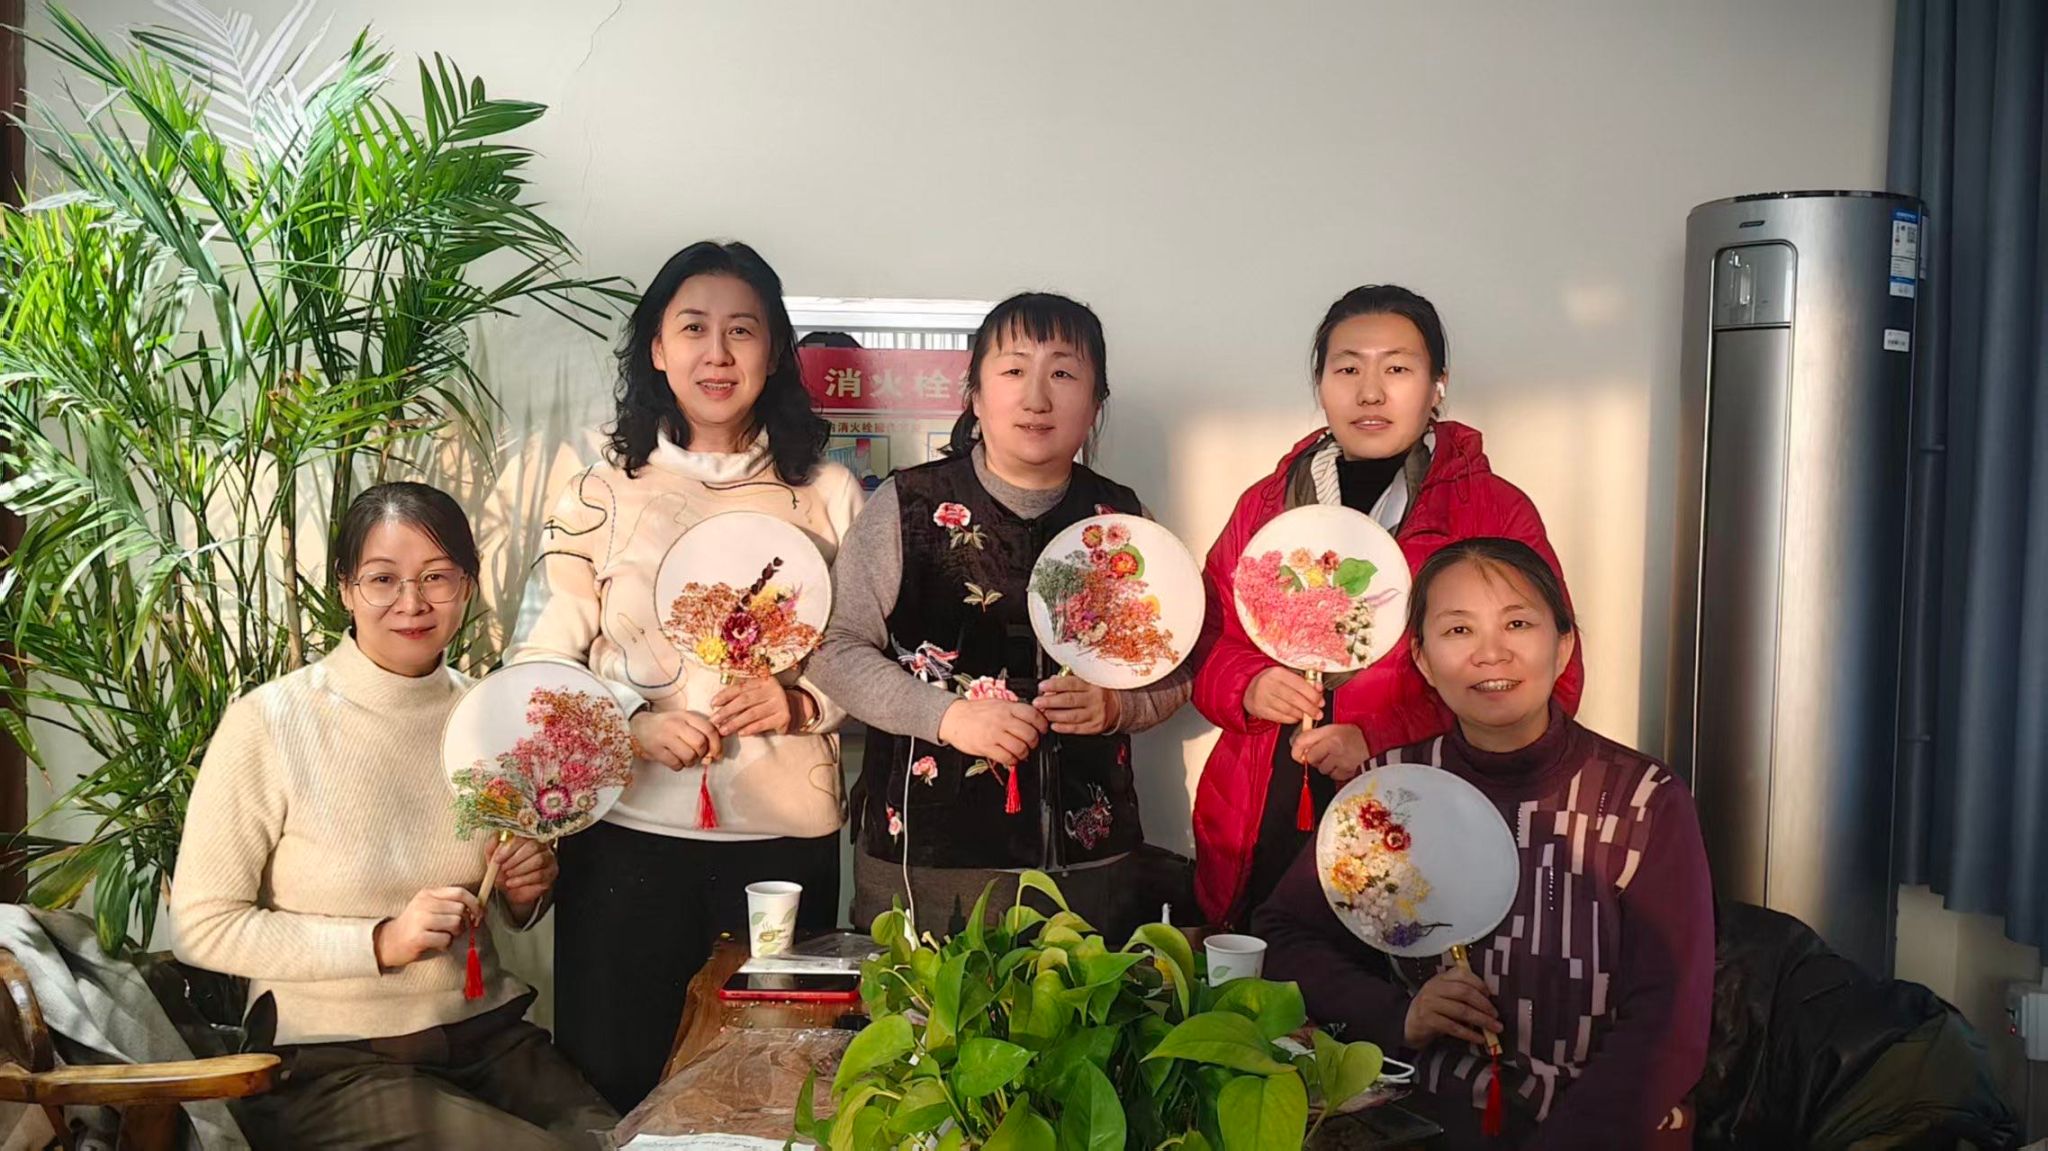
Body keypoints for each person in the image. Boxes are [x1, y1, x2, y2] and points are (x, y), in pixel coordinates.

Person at [508, 240, 864, 1113]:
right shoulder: (600, 491)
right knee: (617, 1083)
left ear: (774, 351)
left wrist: (801, 702)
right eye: (694, 328)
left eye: (742, 330)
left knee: (773, 1094)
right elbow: (538, 661)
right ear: (658, 349)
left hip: (782, 844)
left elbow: (874, 657)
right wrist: (624, 724)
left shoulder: (827, 492)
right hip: (624, 836)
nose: (718, 353)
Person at [171, 483, 615, 1149]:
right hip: (332, 1063)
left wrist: (525, 888)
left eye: (437, 577)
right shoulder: (269, 723)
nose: (413, 603)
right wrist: (379, 942)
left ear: (467, 586)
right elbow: (200, 927)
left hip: (486, 1038)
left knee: (632, 1141)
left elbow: (508, 899)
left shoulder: (493, 716)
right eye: (383, 579)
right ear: (346, 589)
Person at [1255, 538, 1712, 1149]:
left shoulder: (1643, 800)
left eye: (1518, 624)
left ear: (1564, 645)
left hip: (1600, 1129)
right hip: (1426, 1122)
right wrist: (1400, 1015)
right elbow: (1282, 934)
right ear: (1422, 660)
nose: (1491, 653)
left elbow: (1669, 1022)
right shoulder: (1388, 792)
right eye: (1459, 630)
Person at [1192, 284, 1586, 925]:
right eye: (1348, 369)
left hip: (1422, 813)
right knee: (1270, 970)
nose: (1370, 393)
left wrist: (1378, 742)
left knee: (1402, 976)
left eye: (1397, 369)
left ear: (1437, 386)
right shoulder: (1268, 504)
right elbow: (1207, 639)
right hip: (1265, 803)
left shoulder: (1489, 510)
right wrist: (1249, 685)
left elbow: (1548, 678)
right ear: (1321, 384)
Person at [808, 292, 1193, 942]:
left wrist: (1118, 706)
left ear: (1095, 404)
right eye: (1014, 370)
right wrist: (948, 717)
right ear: (976, 395)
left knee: (1086, 1005)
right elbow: (833, 649)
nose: (1036, 397)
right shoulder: (909, 505)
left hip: (1091, 863)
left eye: (1063, 372)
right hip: (925, 862)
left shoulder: (1122, 521)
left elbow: (1178, 666)